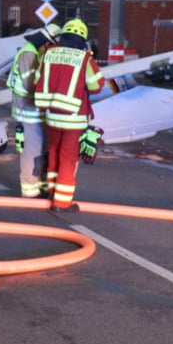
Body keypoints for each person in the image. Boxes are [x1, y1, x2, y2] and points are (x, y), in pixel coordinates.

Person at [34, 18, 104, 212]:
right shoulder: (84, 59)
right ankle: (62, 202)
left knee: (54, 152)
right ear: (83, 40)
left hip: (51, 115)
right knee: (68, 158)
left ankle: (51, 192)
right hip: (73, 118)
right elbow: (96, 86)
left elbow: (38, 79)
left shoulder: (49, 54)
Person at [6, 23, 61, 198]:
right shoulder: (28, 54)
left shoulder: (34, 52)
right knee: (32, 150)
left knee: (42, 148)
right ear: (47, 42)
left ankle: (41, 185)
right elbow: (31, 84)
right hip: (27, 109)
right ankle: (30, 190)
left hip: (34, 108)